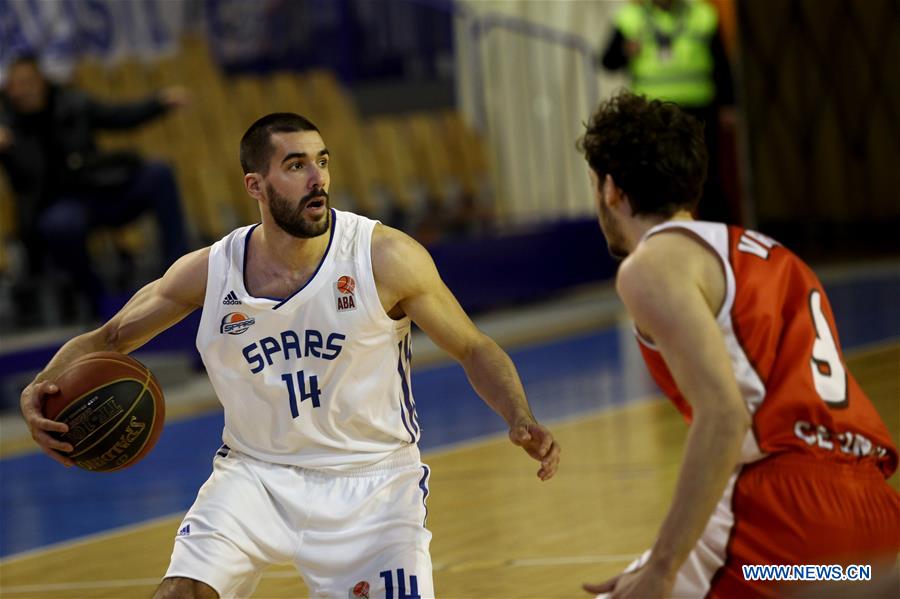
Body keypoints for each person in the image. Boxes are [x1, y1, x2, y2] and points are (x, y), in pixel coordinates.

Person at [19, 112, 561, 598]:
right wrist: (39, 389)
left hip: (371, 482)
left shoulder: (385, 257)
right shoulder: (212, 270)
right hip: (254, 475)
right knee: (180, 593)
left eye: (321, 162)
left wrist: (520, 415)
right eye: (296, 165)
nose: (317, 178)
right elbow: (109, 339)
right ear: (256, 185)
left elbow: (473, 346)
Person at [577, 91, 899, 598]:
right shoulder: (771, 252)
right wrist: (660, 560)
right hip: (873, 515)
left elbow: (726, 418)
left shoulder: (650, 264)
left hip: (787, 514)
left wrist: (664, 568)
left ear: (612, 189)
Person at [0, 54, 190, 316]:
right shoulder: (6, 125)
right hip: (55, 206)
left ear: (41, 81)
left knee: (158, 174)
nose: (23, 90)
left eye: (28, 82)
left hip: (100, 190)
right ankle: (96, 297)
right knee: (61, 225)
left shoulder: (73, 103)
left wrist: (159, 103)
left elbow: (120, 116)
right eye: (16, 84)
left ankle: (178, 276)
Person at [599, 0, 737, 224]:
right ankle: (660, 236)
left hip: (699, 110)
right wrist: (626, 50)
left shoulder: (702, 15)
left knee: (708, 178)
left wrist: (728, 105)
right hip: (654, 116)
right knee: (657, 178)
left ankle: (718, 241)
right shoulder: (630, 19)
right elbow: (607, 61)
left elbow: (721, 63)